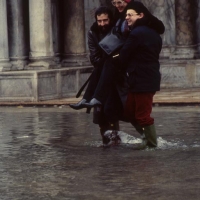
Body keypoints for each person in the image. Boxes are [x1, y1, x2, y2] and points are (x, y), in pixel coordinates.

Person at [85, 1, 163, 149]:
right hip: (137, 78)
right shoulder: (145, 32)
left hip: (141, 80)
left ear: (140, 15)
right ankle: (145, 139)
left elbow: (124, 56)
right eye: (126, 15)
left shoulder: (136, 33)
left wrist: (111, 59)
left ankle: (151, 144)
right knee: (128, 111)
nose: (126, 17)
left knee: (142, 114)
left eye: (130, 15)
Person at [69, 6, 121, 146]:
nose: (102, 24)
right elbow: (94, 57)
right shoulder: (93, 32)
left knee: (110, 109)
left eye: (105, 20)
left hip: (116, 75)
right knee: (99, 112)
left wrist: (109, 60)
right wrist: (104, 61)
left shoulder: (117, 29)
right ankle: (106, 142)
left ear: (110, 19)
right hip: (100, 73)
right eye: (100, 21)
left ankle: (115, 141)